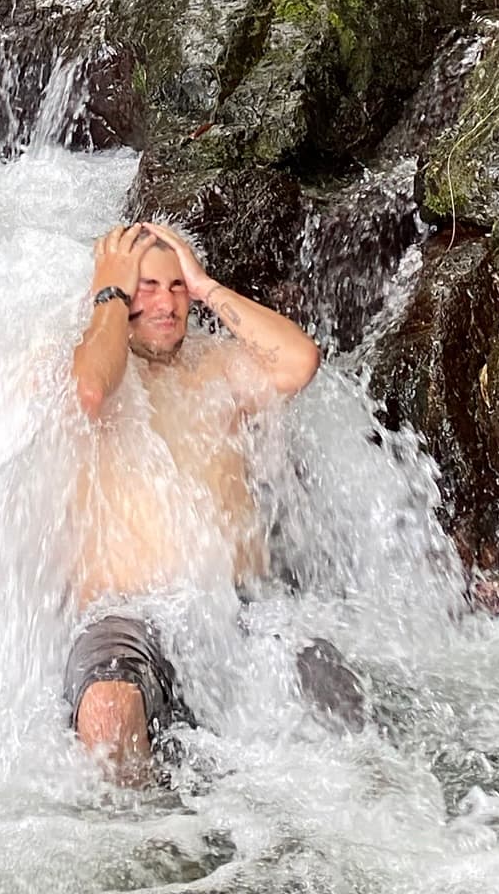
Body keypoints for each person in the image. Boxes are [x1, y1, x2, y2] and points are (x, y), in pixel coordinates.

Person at [65, 219, 364, 780]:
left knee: (338, 694)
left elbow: (298, 362)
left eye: (175, 287)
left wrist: (206, 287)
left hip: (238, 611)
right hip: (128, 618)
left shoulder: (216, 366)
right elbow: (90, 390)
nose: (167, 302)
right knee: (107, 714)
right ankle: (140, 846)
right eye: (146, 286)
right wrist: (106, 290)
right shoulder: (90, 359)